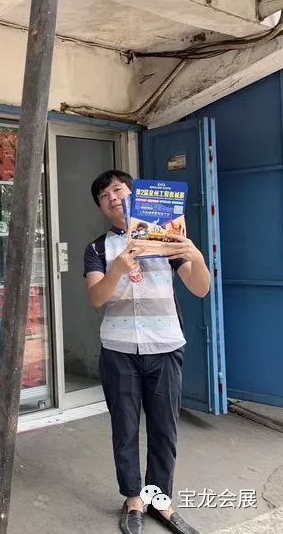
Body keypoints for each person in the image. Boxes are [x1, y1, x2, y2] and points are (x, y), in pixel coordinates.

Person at [84, 170, 210, 534]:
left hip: (165, 345)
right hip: (118, 350)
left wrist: (195, 255)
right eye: (104, 195)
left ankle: (159, 501)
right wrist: (118, 269)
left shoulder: (166, 238)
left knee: (164, 429)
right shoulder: (97, 249)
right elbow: (96, 298)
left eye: (117, 189)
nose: (112, 197)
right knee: (124, 428)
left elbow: (200, 288)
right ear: (101, 207)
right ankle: (133, 500)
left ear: (134, 194)